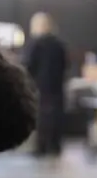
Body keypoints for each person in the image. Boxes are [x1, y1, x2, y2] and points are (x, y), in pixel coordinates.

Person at [23, 12, 69, 158]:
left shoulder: (35, 44)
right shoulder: (59, 44)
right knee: (56, 115)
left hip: (40, 87)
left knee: (42, 117)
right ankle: (54, 145)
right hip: (57, 86)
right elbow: (65, 64)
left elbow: (29, 66)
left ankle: (42, 147)